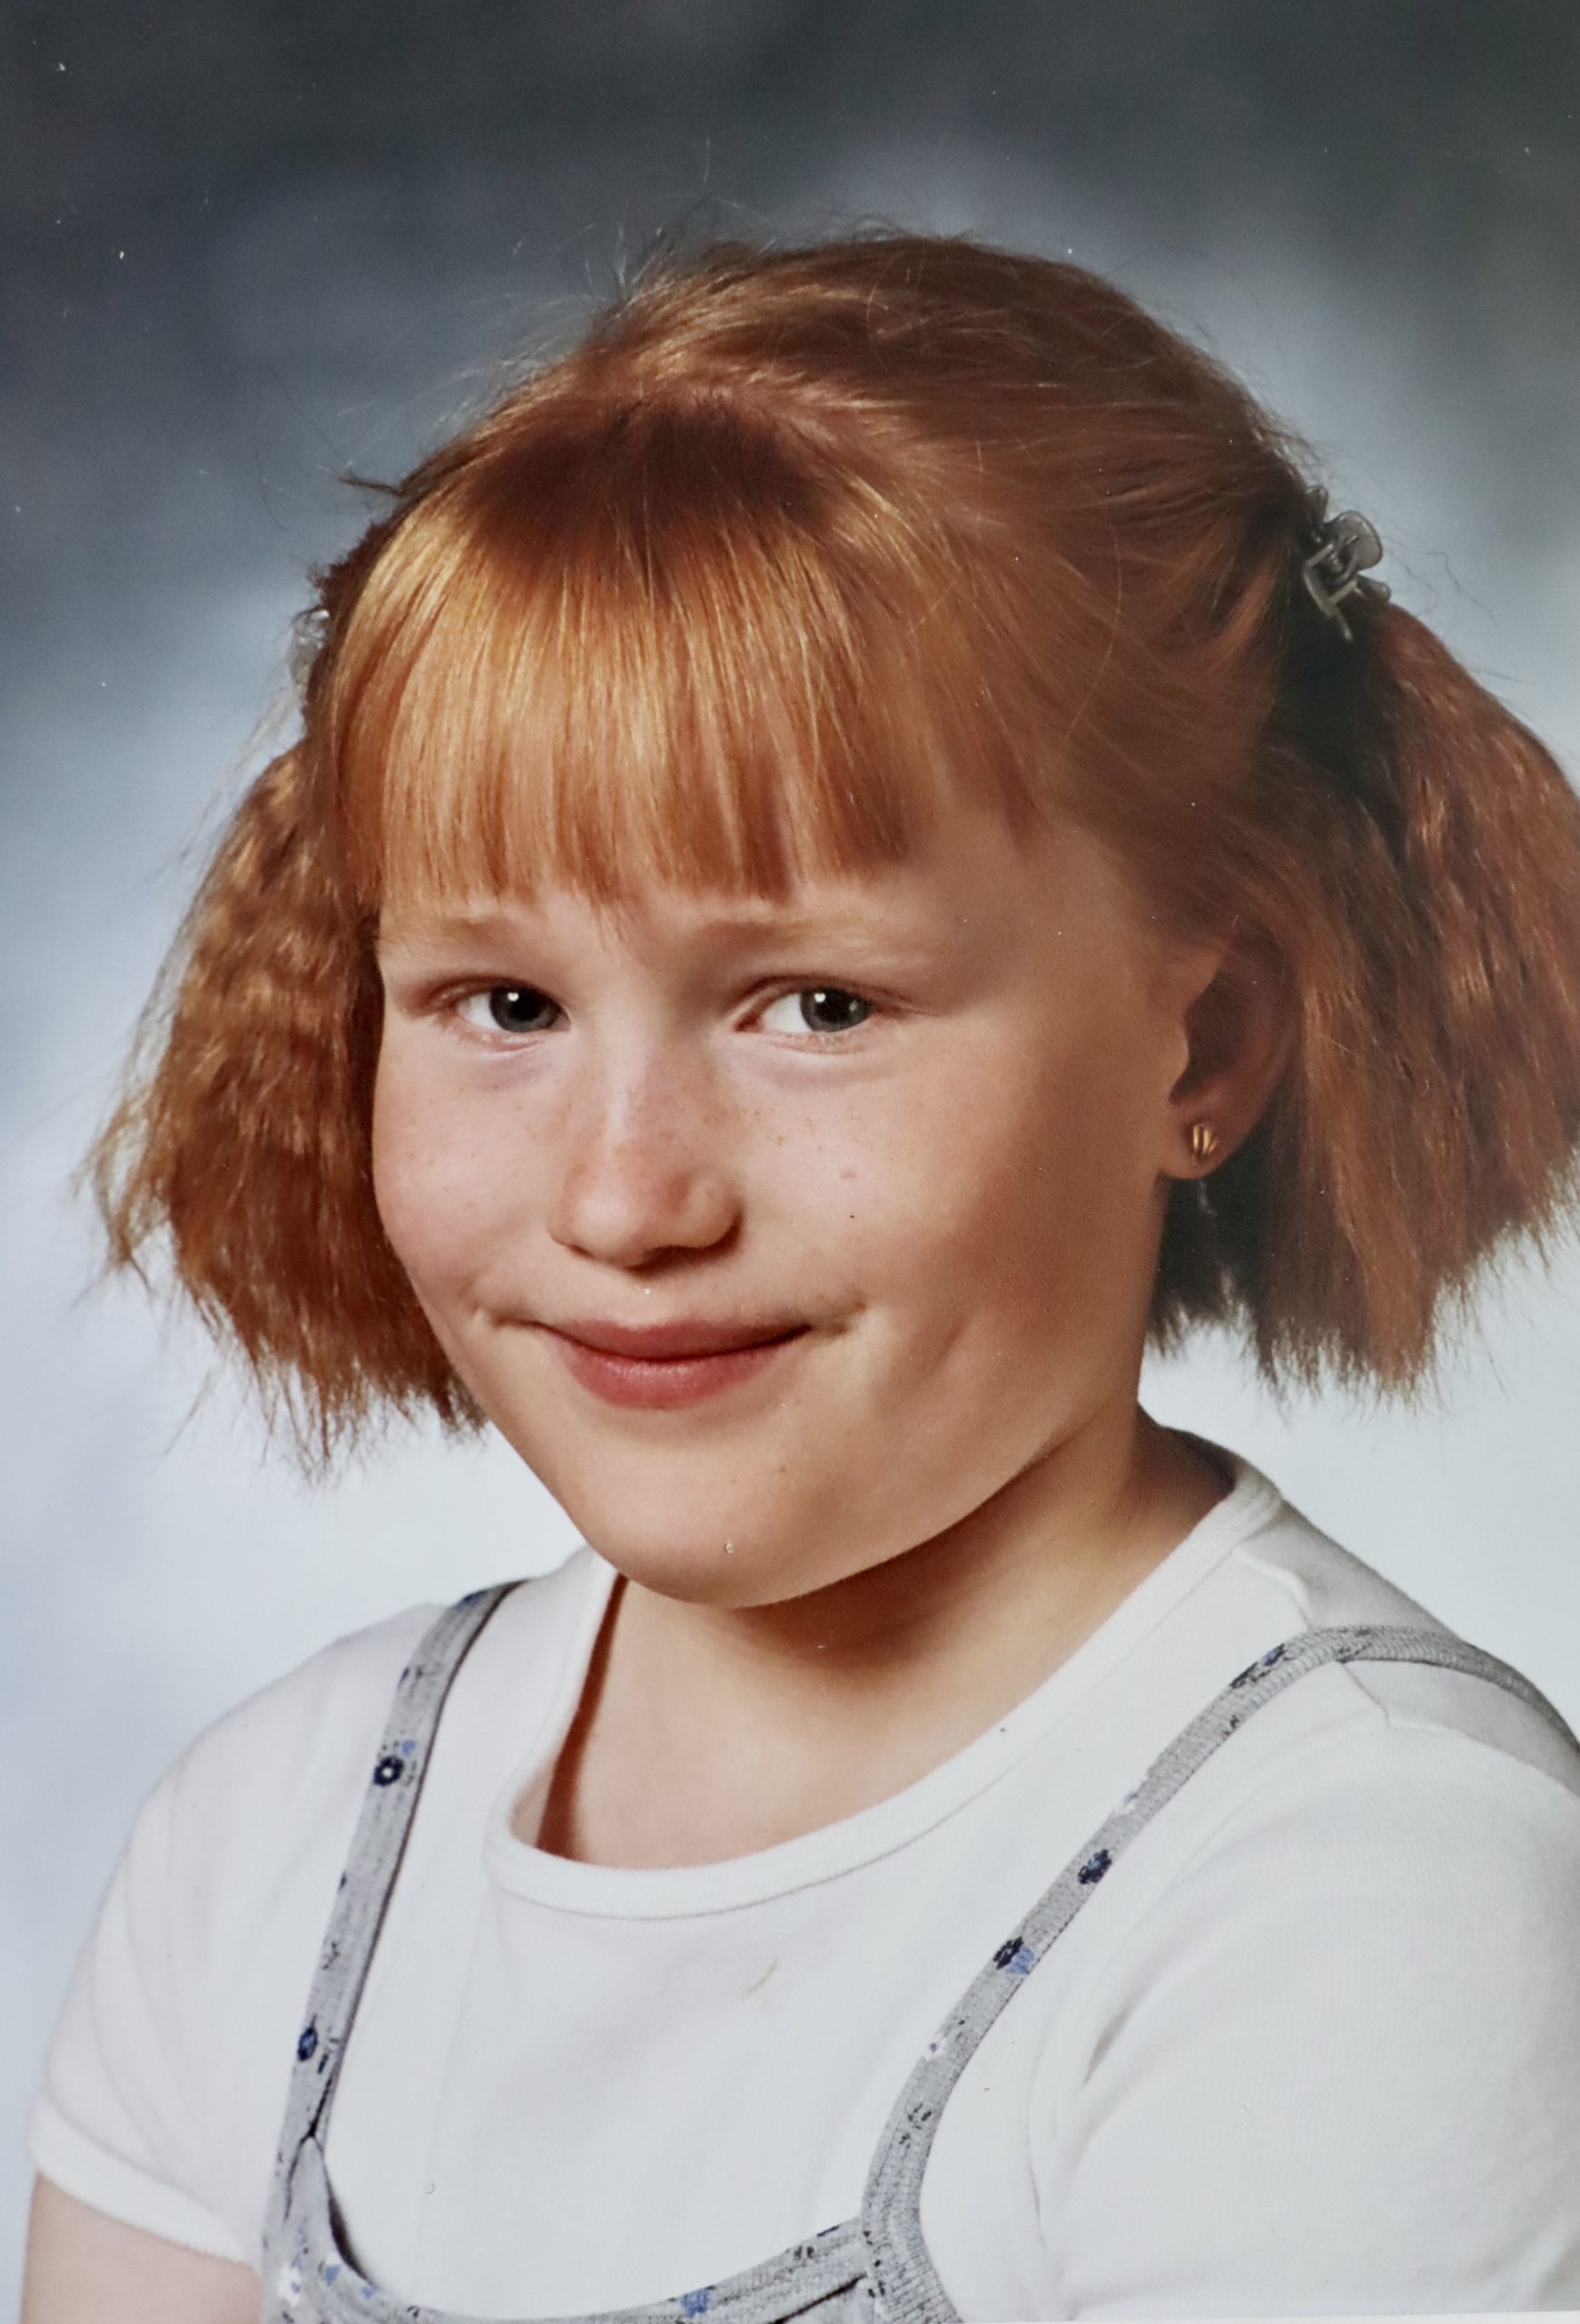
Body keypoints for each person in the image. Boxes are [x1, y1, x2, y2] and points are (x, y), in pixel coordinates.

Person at [20, 231, 1580, 2324]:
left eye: (820, 1005)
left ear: (1201, 1048)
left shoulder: (1358, 1887)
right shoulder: (275, 1837)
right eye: (502, 1001)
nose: (627, 1198)